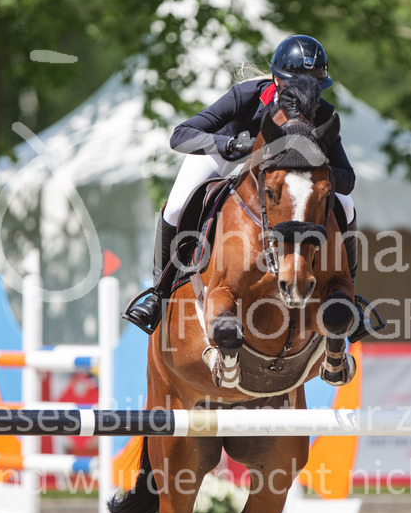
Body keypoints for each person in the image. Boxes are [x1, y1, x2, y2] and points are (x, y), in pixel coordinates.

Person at [123, 34, 370, 340]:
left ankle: (351, 296)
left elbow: (347, 176)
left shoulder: (322, 113)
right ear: (278, 81)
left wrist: (321, 176)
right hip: (228, 157)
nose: (308, 99)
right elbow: (180, 135)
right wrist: (227, 143)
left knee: (345, 203)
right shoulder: (247, 96)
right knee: (175, 206)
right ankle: (158, 293)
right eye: (299, 89)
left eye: (315, 90)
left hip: (282, 177)